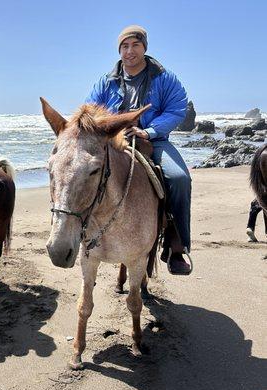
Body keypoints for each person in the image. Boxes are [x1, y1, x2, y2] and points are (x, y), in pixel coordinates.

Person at [86, 25, 192, 275]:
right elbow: (91, 111)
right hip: (115, 141)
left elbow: (177, 109)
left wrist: (150, 131)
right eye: (124, 46)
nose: (129, 51)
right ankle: (81, 230)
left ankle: (177, 245)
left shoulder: (164, 78)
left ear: (144, 47)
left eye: (135, 45)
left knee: (179, 179)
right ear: (119, 50)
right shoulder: (106, 80)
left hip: (153, 140)